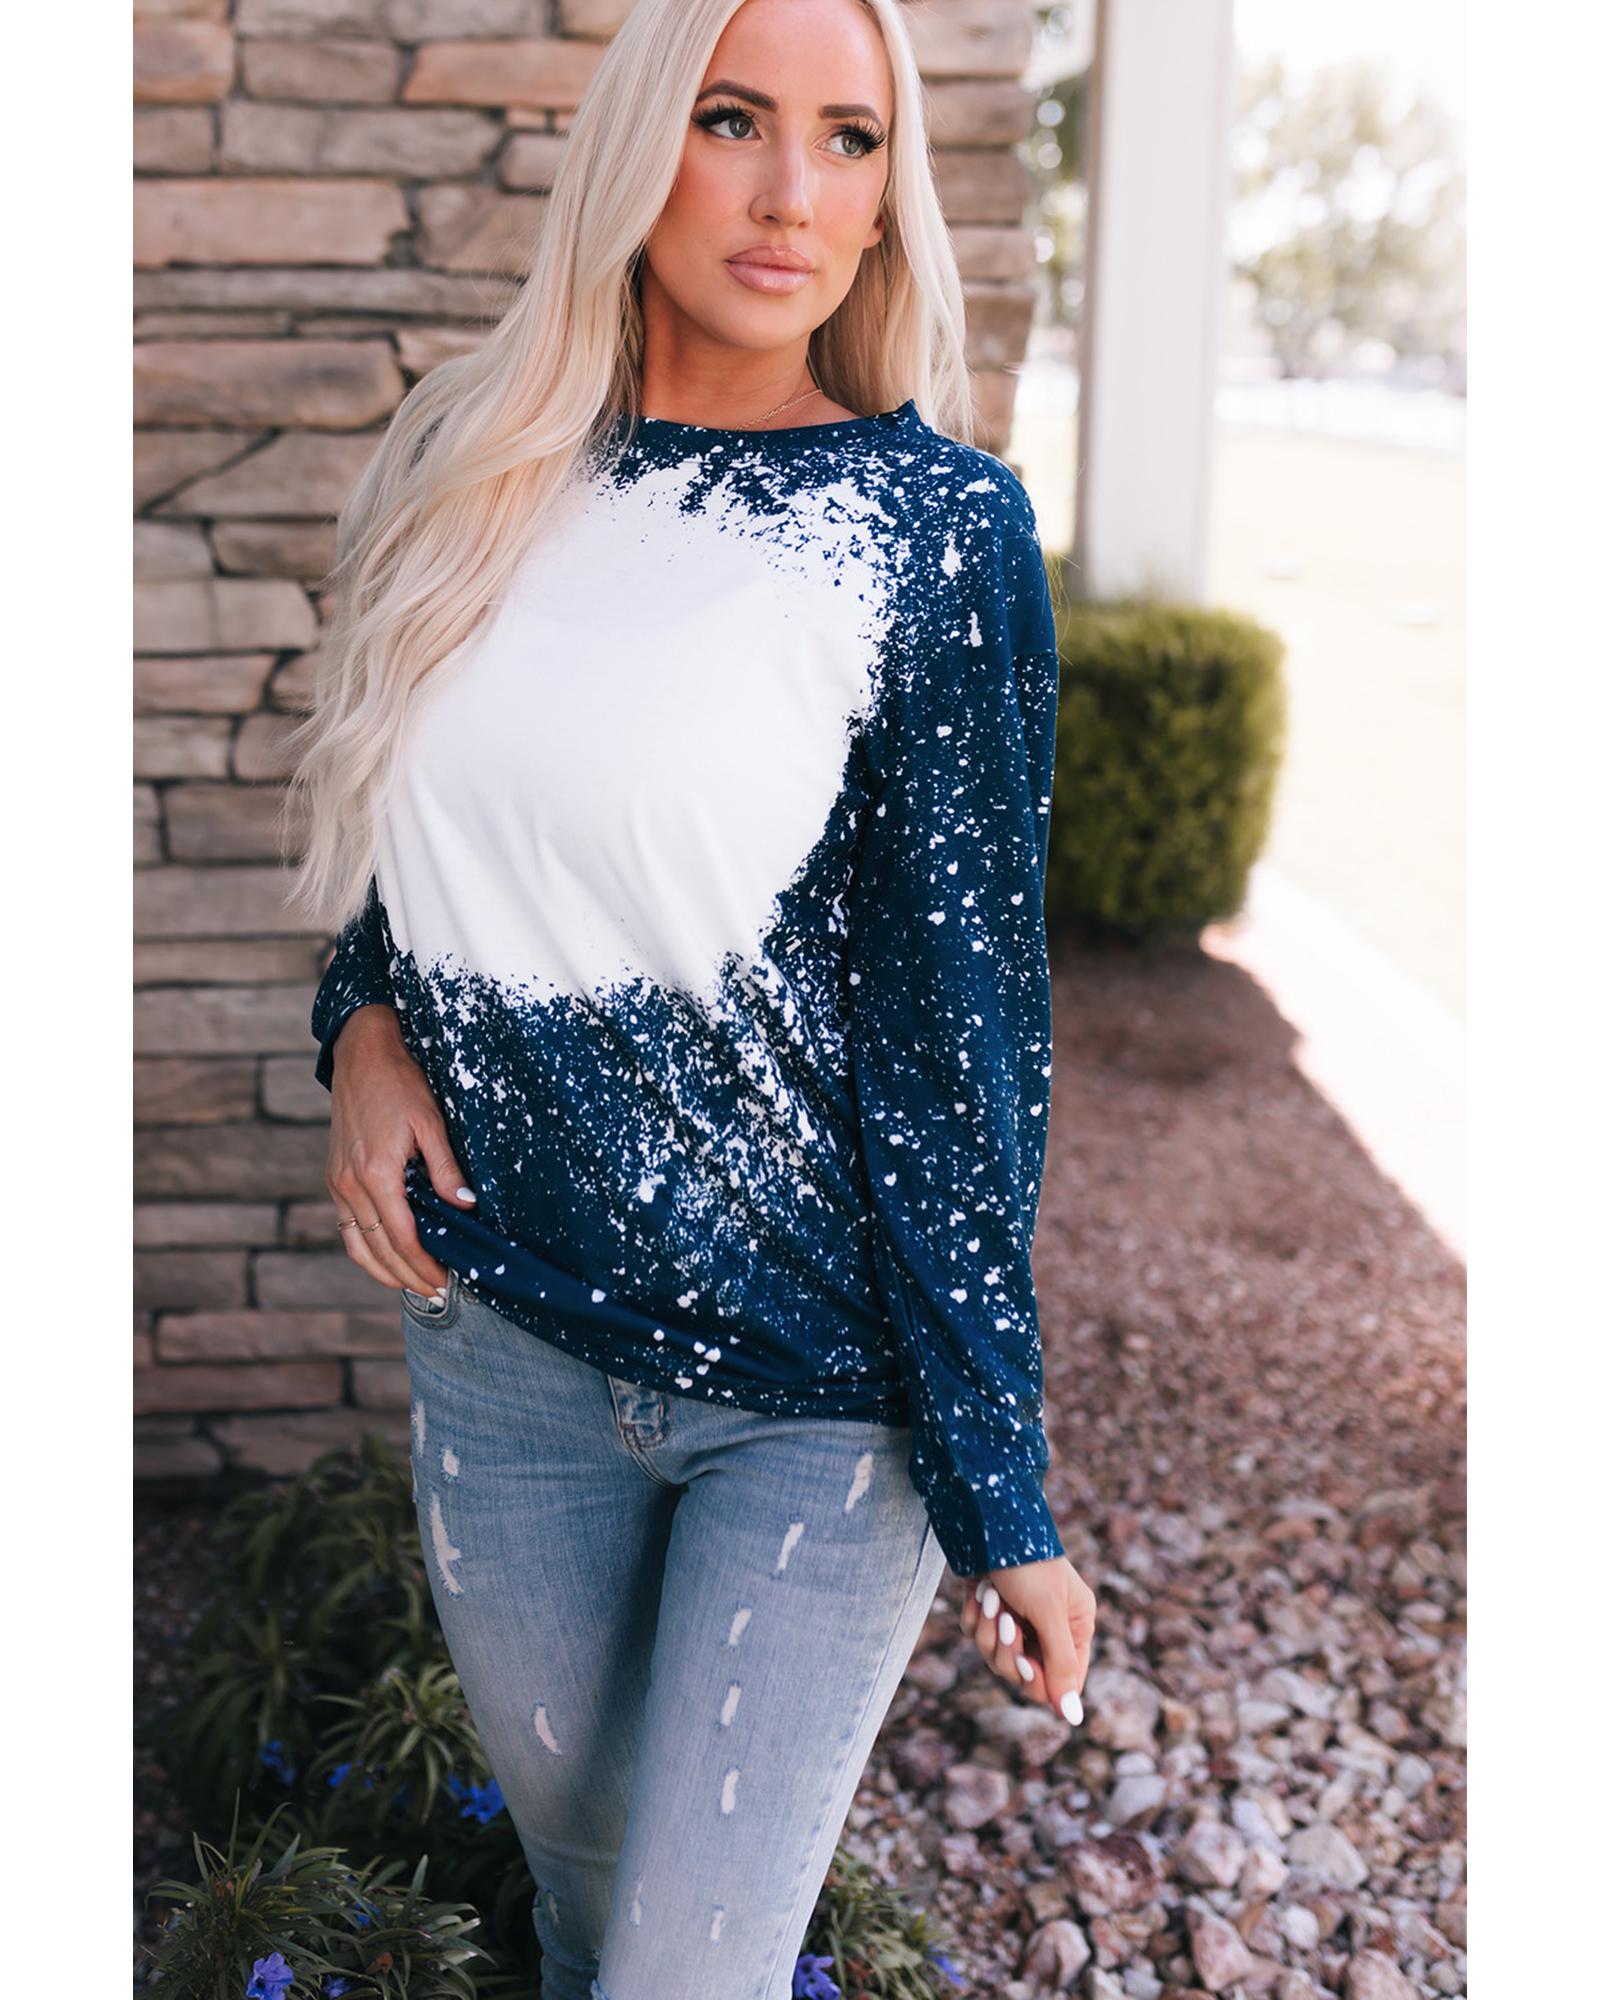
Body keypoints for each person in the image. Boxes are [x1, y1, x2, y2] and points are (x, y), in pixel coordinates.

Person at [284, 1, 1098, 1993]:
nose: (788, 191)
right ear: (642, 141)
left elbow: (959, 1052)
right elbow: (416, 818)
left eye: (847, 138)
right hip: (505, 1352)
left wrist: (999, 1488)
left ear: (890, 195)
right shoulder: (465, 463)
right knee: (584, 1909)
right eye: (735, 119)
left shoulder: (929, 536)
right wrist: (361, 1028)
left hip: (817, 1407)